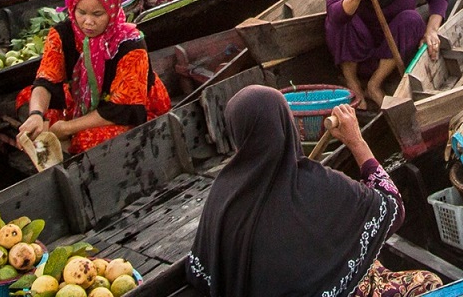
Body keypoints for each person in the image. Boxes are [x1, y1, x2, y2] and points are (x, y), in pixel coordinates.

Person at [185, 88, 441, 297]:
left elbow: (202, 272)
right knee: (428, 282)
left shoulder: (223, 188)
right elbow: (393, 208)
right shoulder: (314, 183)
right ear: (286, 125)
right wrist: (356, 142)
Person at [19, 0, 172, 156]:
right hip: (86, 99)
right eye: (81, 12)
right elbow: (47, 79)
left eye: (97, 14)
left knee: (90, 140)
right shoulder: (62, 34)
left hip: (127, 108)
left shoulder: (130, 45)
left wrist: (67, 128)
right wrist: (36, 115)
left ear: (112, 11)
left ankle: (71, 142)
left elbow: (122, 108)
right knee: (32, 102)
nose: (88, 22)